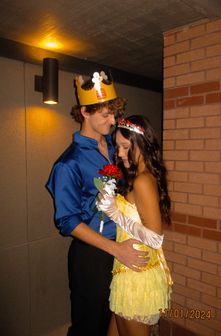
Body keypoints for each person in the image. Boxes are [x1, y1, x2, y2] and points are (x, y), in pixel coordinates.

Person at [46, 73, 149, 336]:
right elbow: (67, 222)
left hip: (121, 246)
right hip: (92, 256)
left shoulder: (116, 148)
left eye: (114, 114)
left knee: (113, 321)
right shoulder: (68, 164)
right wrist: (116, 249)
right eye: (105, 115)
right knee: (89, 325)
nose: (113, 121)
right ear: (84, 112)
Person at [97, 115, 173, 336]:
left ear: (141, 144)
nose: (119, 154)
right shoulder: (137, 176)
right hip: (128, 269)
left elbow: (155, 238)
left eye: (124, 147)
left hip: (137, 275)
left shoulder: (142, 181)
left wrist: (114, 213)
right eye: (117, 147)